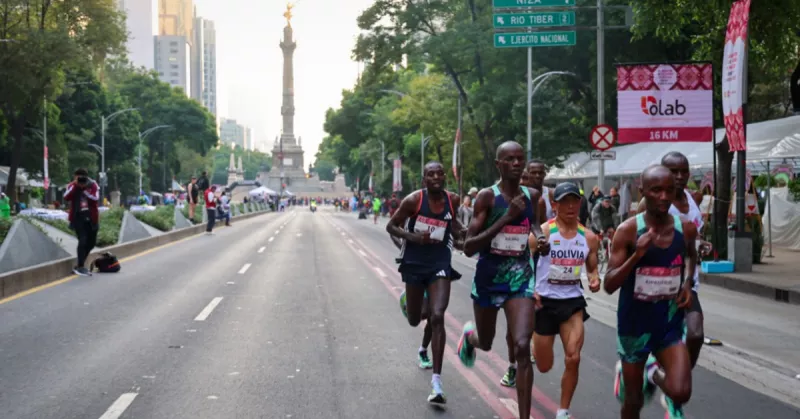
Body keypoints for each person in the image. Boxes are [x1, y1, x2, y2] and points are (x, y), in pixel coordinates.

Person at [457, 141, 546, 419]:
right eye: (509, 159)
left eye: (520, 158)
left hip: (520, 278)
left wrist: (541, 240)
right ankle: (469, 339)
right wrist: (507, 217)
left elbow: (534, 224)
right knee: (486, 341)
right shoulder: (487, 197)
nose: (516, 164)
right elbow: (469, 246)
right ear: (499, 165)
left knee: (522, 346)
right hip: (488, 277)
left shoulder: (533, 196)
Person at [605, 165, 697, 419]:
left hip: (668, 323)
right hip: (634, 324)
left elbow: (692, 255)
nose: (664, 197)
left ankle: (652, 372)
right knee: (633, 402)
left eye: (669, 190)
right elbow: (609, 284)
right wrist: (637, 255)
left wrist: (688, 282)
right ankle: (643, 372)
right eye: (656, 190)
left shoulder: (686, 228)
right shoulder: (628, 231)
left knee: (680, 391)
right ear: (643, 192)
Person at [637, 152, 710, 418]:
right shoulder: (648, 205)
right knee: (650, 342)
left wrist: (699, 247)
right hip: (656, 288)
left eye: (683, 171)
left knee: (695, 335)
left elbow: (694, 241)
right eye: (673, 171)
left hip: (686, 286)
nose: (679, 177)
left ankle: (670, 381)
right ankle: (655, 374)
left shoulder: (692, 200)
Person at [386, 161, 466, 405]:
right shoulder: (413, 201)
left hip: (440, 260)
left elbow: (452, 225)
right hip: (414, 262)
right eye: (430, 174)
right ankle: (412, 305)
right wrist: (413, 238)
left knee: (438, 315)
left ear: (444, 177)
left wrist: (463, 233)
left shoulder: (453, 199)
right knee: (415, 319)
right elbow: (391, 226)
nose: (435, 177)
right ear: (424, 180)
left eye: (439, 173)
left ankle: (437, 382)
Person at [531, 182, 601, 419]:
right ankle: (535, 349)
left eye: (575, 201)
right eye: (565, 202)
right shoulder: (543, 233)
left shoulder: (589, 238)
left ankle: (563, 410)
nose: (571, 206)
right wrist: (531, 290)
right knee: (543, 365)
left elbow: (592, 268)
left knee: (574, 357)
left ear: (580, 204)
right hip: (544, 303)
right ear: (555, 205)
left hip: (572, 303)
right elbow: (525, 266)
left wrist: (594, 279)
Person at [501, 158, 555, 385]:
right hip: (513, 263)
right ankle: (513, 364)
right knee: (513, 320)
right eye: (533, 173)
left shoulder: (546, 198)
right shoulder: (514, 196)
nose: (537, 176)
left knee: (534, 312)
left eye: (540, 172)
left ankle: (527, 347)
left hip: (540, 261)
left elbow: (541, 228)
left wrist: (543, 243)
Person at [63, 168, 100, 276]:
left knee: (91, 242)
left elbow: (95, 198)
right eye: (77, 177)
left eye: (81, 177)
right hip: (78, 217)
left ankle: (81, 263)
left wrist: (84, 190)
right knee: (82, 240)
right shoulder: (72, 186)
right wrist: (75, 186)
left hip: (91, 217)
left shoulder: (93, 185)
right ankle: (80, 266)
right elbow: (66, 197)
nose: (79, 180)